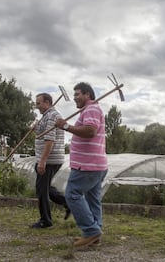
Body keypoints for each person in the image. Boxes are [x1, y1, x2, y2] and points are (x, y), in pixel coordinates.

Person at [55, 82, 107, 250]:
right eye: (75, 94)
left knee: (72, 194)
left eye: (78, 94)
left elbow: (90, 131)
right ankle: (95, 233)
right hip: (95, 165)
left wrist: (66, 126)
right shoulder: (91, 109)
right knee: (93, 200)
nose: (75, 97)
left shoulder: (91, 109)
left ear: (87, 95)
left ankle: (91, 231)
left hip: (87, 166)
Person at [31, 93, 70, 229]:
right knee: (44, 188)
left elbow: (50, 140)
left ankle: (46, 221)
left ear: (47, 102)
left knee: (42, 190)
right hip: (51, 159)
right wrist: (36, 128)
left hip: (50, 160)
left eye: (39, 103)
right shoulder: (47, 116)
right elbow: (42, 135)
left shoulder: (52, 116)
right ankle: (68, 203)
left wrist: (43, 161)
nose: (37, 107)